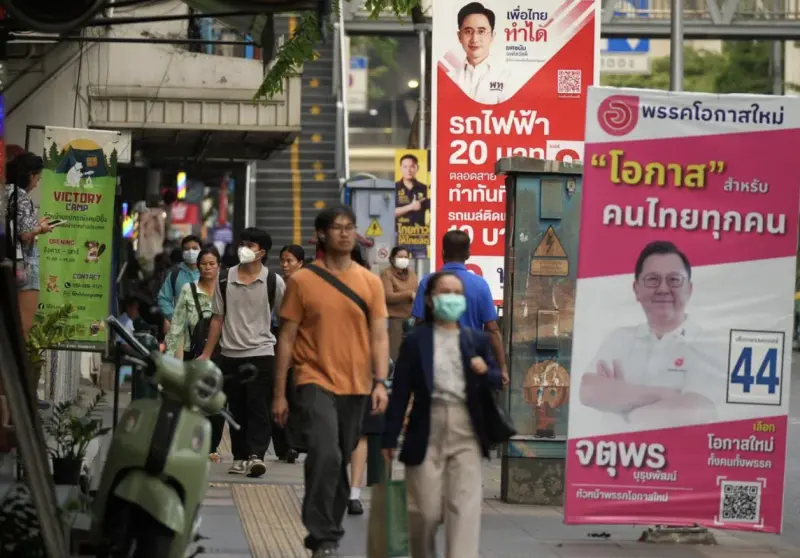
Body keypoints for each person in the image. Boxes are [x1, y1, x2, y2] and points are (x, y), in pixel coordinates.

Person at [273, 205, 390, 558]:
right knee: (325, 452)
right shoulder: (302, 281)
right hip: (313, 379)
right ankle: (322, 536)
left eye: (349, 227)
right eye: (337, 227)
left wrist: (380, 381)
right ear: (321, 234)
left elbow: (380, 335)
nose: (344, 233)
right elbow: (286, 339)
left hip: (356, 385)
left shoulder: (370, 282)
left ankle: (328, 532)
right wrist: (279, 394)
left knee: (338, 460)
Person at [382, 271, 501, 558]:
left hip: (466, 429)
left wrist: (485, 371)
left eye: (457, 293)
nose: (452, 298)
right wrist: (389, 436)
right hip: (426, 427)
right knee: (425, 510)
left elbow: (496, 378)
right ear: (430, 300)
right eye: (445, 292)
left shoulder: (475, 339)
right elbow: (401, 391)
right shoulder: (415, 342)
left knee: (464, 508)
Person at [577, 240, 723, 429]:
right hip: (614, 449)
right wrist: (668, 395)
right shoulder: (618, 338)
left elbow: (696, 409)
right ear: (636, 289)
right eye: (652, 279)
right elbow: (588, 392)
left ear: (689, 290)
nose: (663, 289)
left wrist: (621, 398)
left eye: (674, 280)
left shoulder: (709, 345)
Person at [200, 227, 285, 478]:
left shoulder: (274, 282)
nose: (244, 249)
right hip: (230, 354)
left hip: (262, 352)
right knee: (236, 408)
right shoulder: (225, 279)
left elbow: (286, 320)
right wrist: (206, 354)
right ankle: (239, 457)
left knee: (258, 407)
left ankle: (256, 456)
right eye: (242, 244)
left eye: (250, 245)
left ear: (262, 252)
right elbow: (217, 319)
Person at [412, 230, 508, 385]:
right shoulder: (480, 285)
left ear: (443, 253)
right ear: (468, 254)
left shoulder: (427, 283)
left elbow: (419, 325)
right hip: (471, 366)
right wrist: (502, 368)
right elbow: (492, 329)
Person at [4, 152, 51, 339]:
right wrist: (41, 228)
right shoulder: (21, 196)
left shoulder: (4, 191)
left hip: (5, 261)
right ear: (30, 175)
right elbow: (24, 234)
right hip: (23, 266)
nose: (37, 183)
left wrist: (35, 225)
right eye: (37, 178)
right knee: (24, 326)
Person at [273, 244, 307, 464]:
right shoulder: (275, 284)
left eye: (290, 261)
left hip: (298, 346)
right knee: (277, 394)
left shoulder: (305, 286)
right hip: (275, 342)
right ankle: (282, 446)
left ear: (300, 263)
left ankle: (293, 444)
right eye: (283, 261)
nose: (285, 265)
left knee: (295, 397)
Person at [443, 2, 509, 105]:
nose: (474, 39)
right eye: (468, 31)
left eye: (481, 31)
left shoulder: (507, 75)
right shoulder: (449, 75)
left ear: (492, 36)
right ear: (459, 36)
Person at [157, 234, 202, 331]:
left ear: (201, 250)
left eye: (195, 248)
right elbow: (163, 299)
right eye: (187, 249)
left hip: (205, 330)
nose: (191, 252)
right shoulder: (175, 274)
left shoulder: (208, 273)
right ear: (182, 252)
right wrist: (174, 317)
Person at [381, 246, 418, 361]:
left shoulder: (412, 274)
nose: (403, 259)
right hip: (394, 319)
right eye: (400, 257)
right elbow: (387, 296)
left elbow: (416, 292)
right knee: (395, 354)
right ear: (392, 259)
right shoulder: (387, 274)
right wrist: (408, 294)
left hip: (411, 319)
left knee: (411, 354)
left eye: (406, 257)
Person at [394, 154, 429, 252]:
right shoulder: (394, 188)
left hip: (419, 236)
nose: (409, 170)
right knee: (399, 260)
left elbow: (434, 212)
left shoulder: (425, 188)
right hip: (399, 236)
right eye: (405, 167)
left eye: (412, 167)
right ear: (401, 168)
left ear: (417, 168)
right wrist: (411, 207)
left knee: (422, 260)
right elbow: (389, 213)